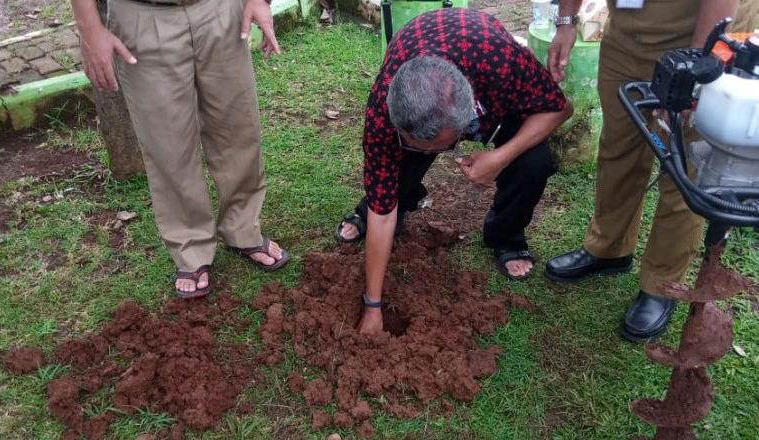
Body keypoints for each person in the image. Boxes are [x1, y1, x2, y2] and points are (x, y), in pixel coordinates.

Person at [335, 8, 574, 334]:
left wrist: (499, 157)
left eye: (439, 146)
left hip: (481, 65)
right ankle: (376, 205)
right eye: (418, 144)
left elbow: (559, 109)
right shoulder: (384, 110)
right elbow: (383, 211)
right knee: (391, 183)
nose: (434, 155)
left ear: (469, 118)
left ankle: (506, 237)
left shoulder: (500, 61)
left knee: (534, 163)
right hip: (422, 83)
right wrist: (373, 305)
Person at [545, 0, 749, 343]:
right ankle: (609, 249)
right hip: (625, 38)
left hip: (698, 40)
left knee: (684, 168)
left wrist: (695, 66)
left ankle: (662, 283)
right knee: (618, 149)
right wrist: (566, 22)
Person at [70, 0, 291, 299]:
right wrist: (90, 29)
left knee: (238, 127)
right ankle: (190, 247)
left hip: (221, 8)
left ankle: (243, 228)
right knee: (167, 145)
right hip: (142, 15)